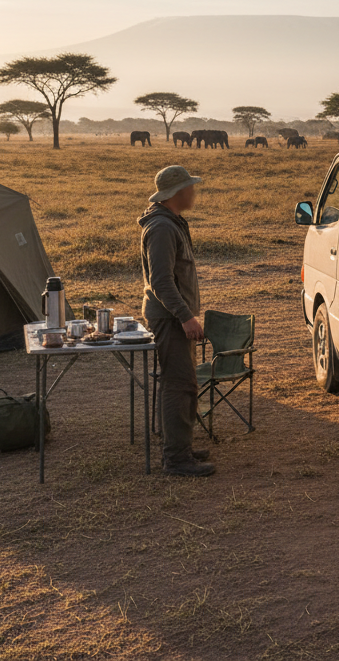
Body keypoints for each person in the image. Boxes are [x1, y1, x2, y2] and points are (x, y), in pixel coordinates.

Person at [139, 165, 214, 477]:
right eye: (189, 188)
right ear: (176, 193)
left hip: (173, 317)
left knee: (185, 384)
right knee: (178, 386)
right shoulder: (162, 228)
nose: (193, 192)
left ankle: (180, 447)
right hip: (170, 319)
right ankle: (176, 459)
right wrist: (185, 317)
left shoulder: (171, 223)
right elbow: (162, 282)